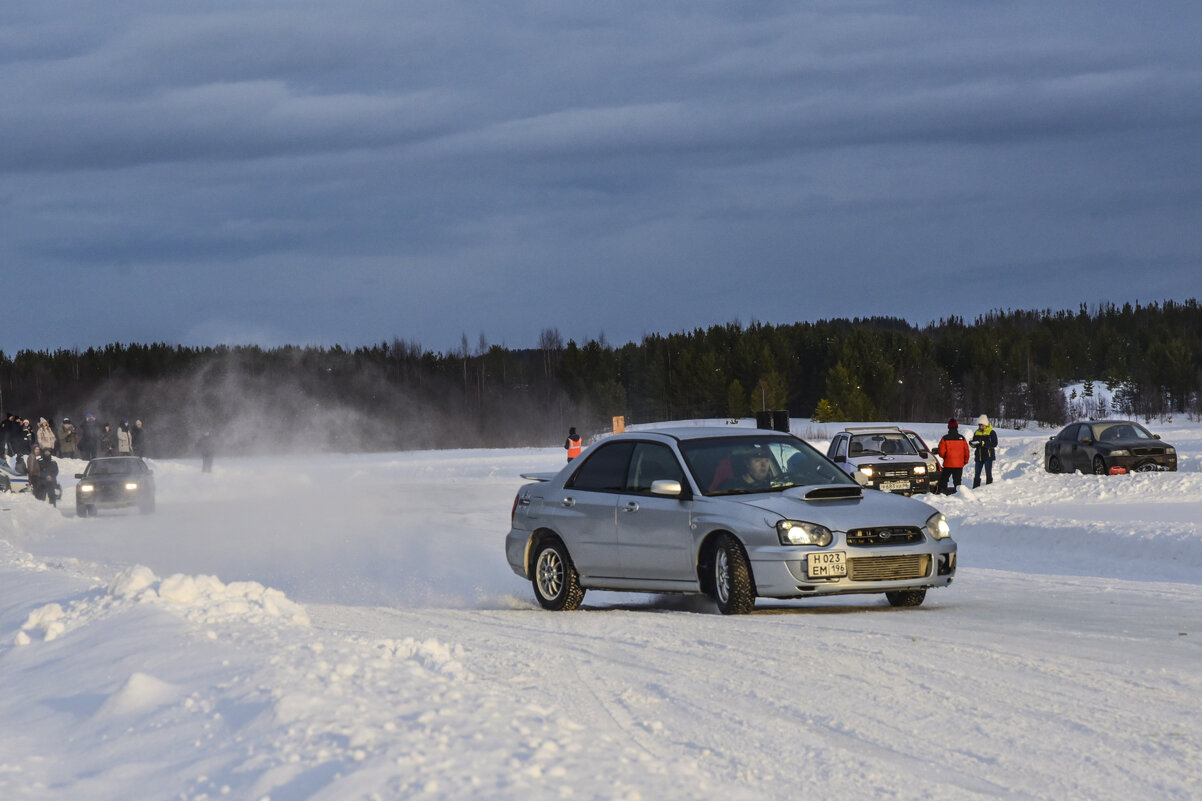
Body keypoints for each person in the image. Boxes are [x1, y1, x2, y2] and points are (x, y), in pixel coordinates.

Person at [936, 418, 971, 494]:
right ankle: (958, 494)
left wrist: (945, 457)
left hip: (948, 464)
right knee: (957, 481)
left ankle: (942, 493)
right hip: (959, 465)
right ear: (957, 427)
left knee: (944, 480)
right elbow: (966, 451)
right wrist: (964, 461)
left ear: (948, 427)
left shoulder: (945, 438)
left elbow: (941, 452)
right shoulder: (962, 438)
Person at [971, 414, 998, 488]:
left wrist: (984, 443)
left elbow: (994, 443)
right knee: (977, 473)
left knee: (988, 473)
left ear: (986, 424)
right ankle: (975, 488)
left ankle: (988, 488)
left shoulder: (991, 432)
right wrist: (972, 444)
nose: (981, 427)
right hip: (979, 456)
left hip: (988, 456)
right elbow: (974, 442)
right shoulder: (976, 432)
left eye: (982, 425)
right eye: (980, 425)